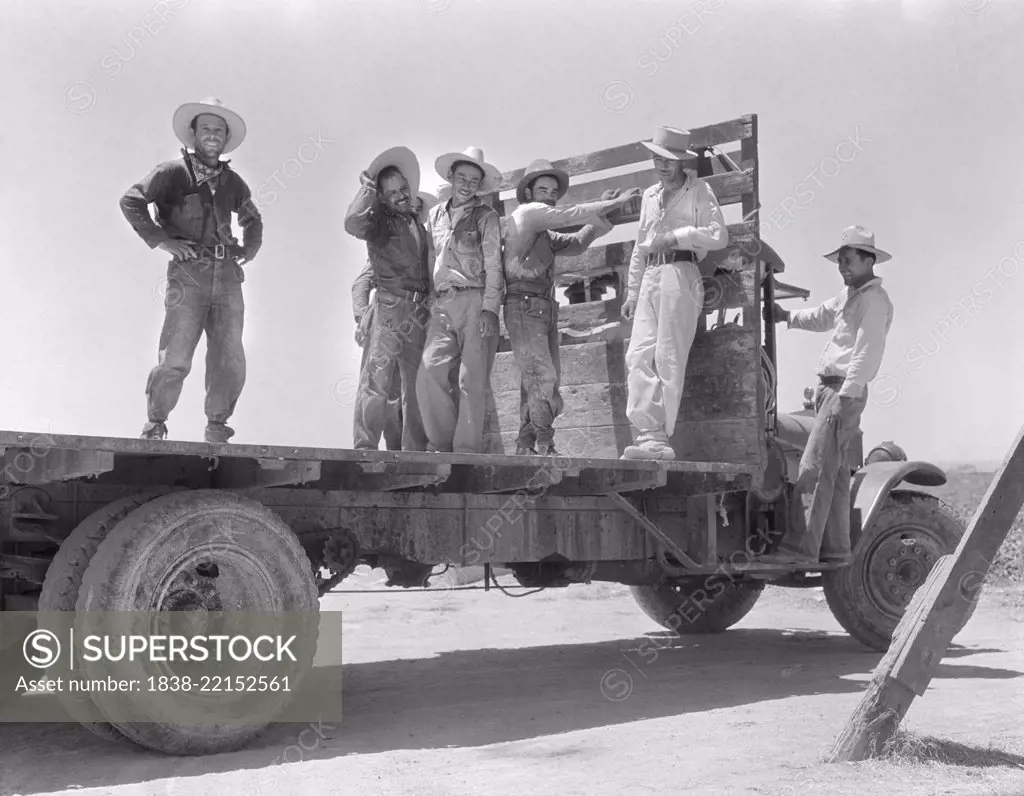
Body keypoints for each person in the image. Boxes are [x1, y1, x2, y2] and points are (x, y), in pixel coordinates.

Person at [120, 97, 263, 443]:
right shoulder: (171, 173)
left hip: (228, 276)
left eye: (218, 131)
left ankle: (217, 426)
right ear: (193, 135)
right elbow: (131, 200)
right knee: (177, 354)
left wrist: (249, 248)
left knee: (228, 354)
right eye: (206, 129)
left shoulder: (233, 183)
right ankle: (155, 423)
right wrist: (162, 241)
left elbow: (253, 218)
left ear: (226, 139)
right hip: (189, 273)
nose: (212, 135)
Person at [759, 225, 894, 565]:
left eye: (848, 260)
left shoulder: (874, 301)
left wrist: (847, 396)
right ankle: (835, 549)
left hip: (842, 391)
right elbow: (821, 316)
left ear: (868, 260)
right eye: (840, 261)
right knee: (833, 475)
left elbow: (867, 351)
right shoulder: (850, 296)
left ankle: (796, 551)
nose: (842, 266)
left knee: (813, 468)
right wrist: (787, 316)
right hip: (830, 390)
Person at [503, 159, 642, 455]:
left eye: (553, 190)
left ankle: (526, 445)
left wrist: (603, 212)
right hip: (525, 305)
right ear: (528, 194)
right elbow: (568, 215)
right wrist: (610, 203)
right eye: (542, 189)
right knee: (543, 376)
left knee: (543, 378)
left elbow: (577, 243)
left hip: (541, 308)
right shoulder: (527, 215)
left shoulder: (543, 231)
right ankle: (544, 444)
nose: (549, 195)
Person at [620, 125, 729, 460]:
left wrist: (677, 236)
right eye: (657, 158)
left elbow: (717, 236)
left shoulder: (699, 190)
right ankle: (647, 434)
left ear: (682, 160)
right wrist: (631, 290)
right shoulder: (650, 196)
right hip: (651, 274)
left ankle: (659, 440)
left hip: (681, 272)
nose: (661, 164)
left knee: (668, 357)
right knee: (637, 354)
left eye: (668, 159)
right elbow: (640, 246)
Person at [417, 146, 504, 453]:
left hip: (475, 299)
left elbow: (494, 264)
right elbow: (431, 258)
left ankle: (465, 452)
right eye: (462, 177)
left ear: (479, 184)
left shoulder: (486, 217)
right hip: (442, 302)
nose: (467, 184)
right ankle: (440, 447)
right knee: (429, 371)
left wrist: (490, 309)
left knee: (472, 379)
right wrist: (430, 297)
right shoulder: (435, 215)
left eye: (474, 179)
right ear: (451, 177)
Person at [344, 147, 431, 451]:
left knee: (416, 384)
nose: (400, 195)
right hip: (389, 306)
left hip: (418, 310)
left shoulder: (417, 225)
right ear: (380, 197)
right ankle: (364, 448)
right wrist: (367, 187)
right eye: (391, 192)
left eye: (403, 188)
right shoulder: (377, 224)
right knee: (377, 381)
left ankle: (414, 452)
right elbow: (352, 223)